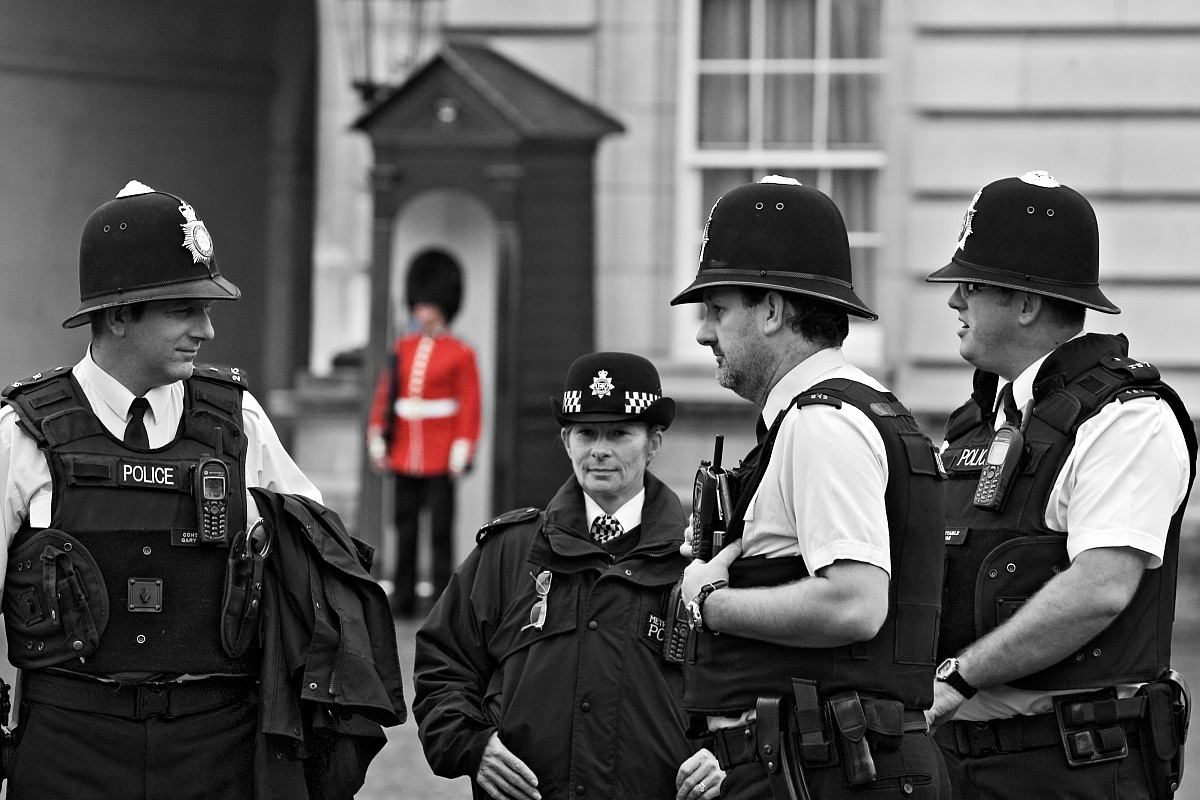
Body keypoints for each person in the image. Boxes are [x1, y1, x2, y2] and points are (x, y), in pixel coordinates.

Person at [0, 180, 325, 799]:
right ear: (119, 315)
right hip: (69, 749)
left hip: (217, 750)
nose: (206, 330)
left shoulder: (240, 424)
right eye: (184, 310)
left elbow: (317, 576)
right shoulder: (20, 437)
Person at [669, 176, 949, 800]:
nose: (702, 333)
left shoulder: (822, 425)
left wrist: (709, 601)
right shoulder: (857, 412)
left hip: (826, 770)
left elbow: (854, 603)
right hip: (826, 762)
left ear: (771, 310)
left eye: (717, 309)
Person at [925, 171, 1196, 799]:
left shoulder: (1127, 419)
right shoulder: (982, 422)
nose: (953, 301)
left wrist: (958, 678)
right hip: (962, 763)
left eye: (971, 284)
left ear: (1026, 302)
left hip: (1074, 768)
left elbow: (1099, 588)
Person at [412, 351, 724, 800]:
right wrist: (471, 745)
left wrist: (725, 756)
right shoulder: (509, 552)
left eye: (619, 433)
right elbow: (443, 666)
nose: (599, 449)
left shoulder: (700, 558)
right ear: (565, 440)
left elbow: (751, 684)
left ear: (654, 442)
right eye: (586, 433)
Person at [367, 248, 482, 616]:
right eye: (418, 303)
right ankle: (402, 596)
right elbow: (387, 395)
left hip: (439, 451)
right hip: (404, 450)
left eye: (428, 303)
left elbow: (470, 404)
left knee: (440, 533)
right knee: (404, 528)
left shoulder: (460, 353)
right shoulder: (402, 347)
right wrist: (377, 436)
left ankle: (441, 602)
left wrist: (462, 448)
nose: (421, 310)